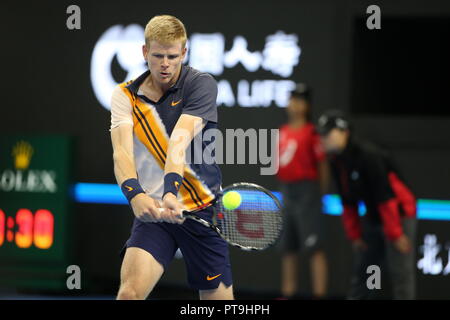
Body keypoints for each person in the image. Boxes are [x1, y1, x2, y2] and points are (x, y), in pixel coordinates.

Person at [109, 15, 233, 300]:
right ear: (144, 52)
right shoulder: (124, 95)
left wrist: (171, 193)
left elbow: (178, 142)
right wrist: (135, 195)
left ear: (184, 53)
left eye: (172, 56)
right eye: (157, 55)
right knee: (129, 294)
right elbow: (122, 152)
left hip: (202, 211)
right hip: (155, 213)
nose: (165, 63)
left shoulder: (201, 84)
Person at [317, 110, 417, 300]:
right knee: (367, 269)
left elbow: (385, 197)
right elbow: (347, 201)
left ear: (344, 132)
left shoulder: (369, 155)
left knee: (399, 273)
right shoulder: (335, 161)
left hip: (399, 213)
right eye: (321, 134)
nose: (323, 139)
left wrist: (395, 233)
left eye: (328, 134)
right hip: (373, 214)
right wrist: (354, 234)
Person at [276, 84, 329, 299]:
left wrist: (319, 195)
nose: (296, 105)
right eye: (293, 100)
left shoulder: (312, 133)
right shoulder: (283, 131)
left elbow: (323, 166)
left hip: (308, 192)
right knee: (287, 248)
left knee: (314, 247)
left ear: (307, 105)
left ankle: (320, 295)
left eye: (300, 101)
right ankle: (287, 293)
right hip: (287, 191)